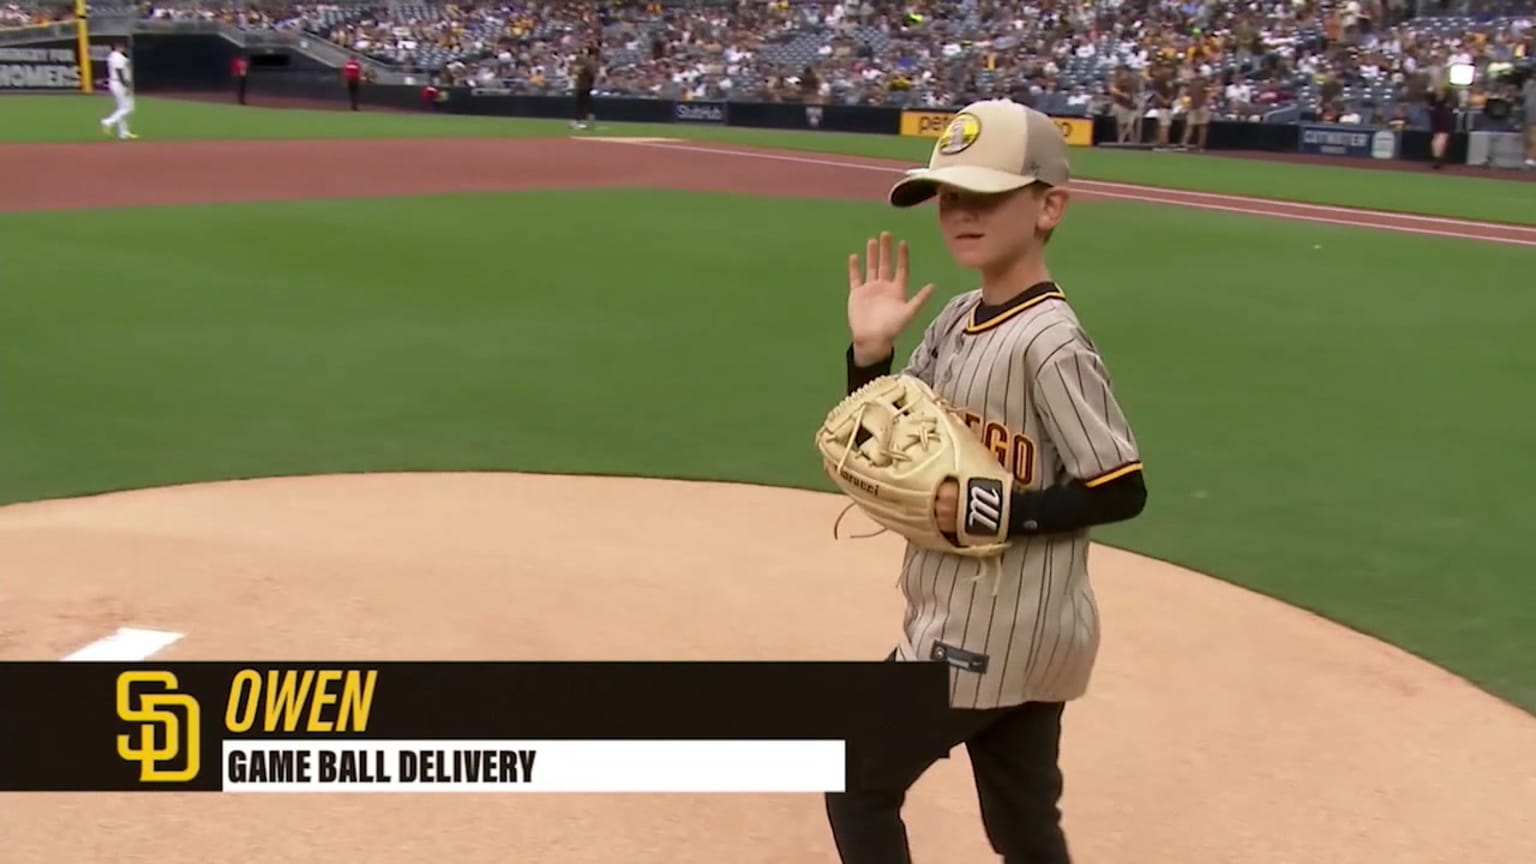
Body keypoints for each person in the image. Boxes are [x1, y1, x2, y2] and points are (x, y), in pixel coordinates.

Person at [829, 98, 1148, 864]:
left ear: (1049, 207)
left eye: (986, 195)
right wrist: (870, 355)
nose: (961, 212)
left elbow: (1121, 487)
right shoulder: (957, 317)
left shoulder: (1050, 343)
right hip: (1036, 631)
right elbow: (889, 437)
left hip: (983, 628)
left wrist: (996, 510)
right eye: (949, 196)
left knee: (851, 771)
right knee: (1023, 828)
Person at [99, 42, 136, 140]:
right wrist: (126, 86)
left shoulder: (114, 56)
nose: (123, 48)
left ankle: (123, 133)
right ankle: (108, 122)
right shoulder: (117, 56)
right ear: (117, 47)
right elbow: (119, 71)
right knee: (128, 108)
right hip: (120, 83)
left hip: (116, 83)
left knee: (122, 108)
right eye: (122, 46)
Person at [1428, 85, 1457, 169]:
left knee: (1440, 138)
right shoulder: (1435, 98)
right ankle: (1438, 158)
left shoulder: (1447, 99)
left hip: (1444, 117)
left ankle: (1438, 159)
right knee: (1437, 139)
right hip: (1439, 117)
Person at [571, 47, 598, 129]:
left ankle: (581, 121)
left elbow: (591, 74)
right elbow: (575, 71)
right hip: (583, 86)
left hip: (584, 86)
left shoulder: (587, 62)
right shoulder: (587, 62)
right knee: (584, 104)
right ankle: (585, 121)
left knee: (583, 104)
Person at [1522, 72, 1536, 169]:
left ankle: (1532, 159)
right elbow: (1523, 97)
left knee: (1534, 139)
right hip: (1528, 116)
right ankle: (1527, 158)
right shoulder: (1528, 84)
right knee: (1527, 139)